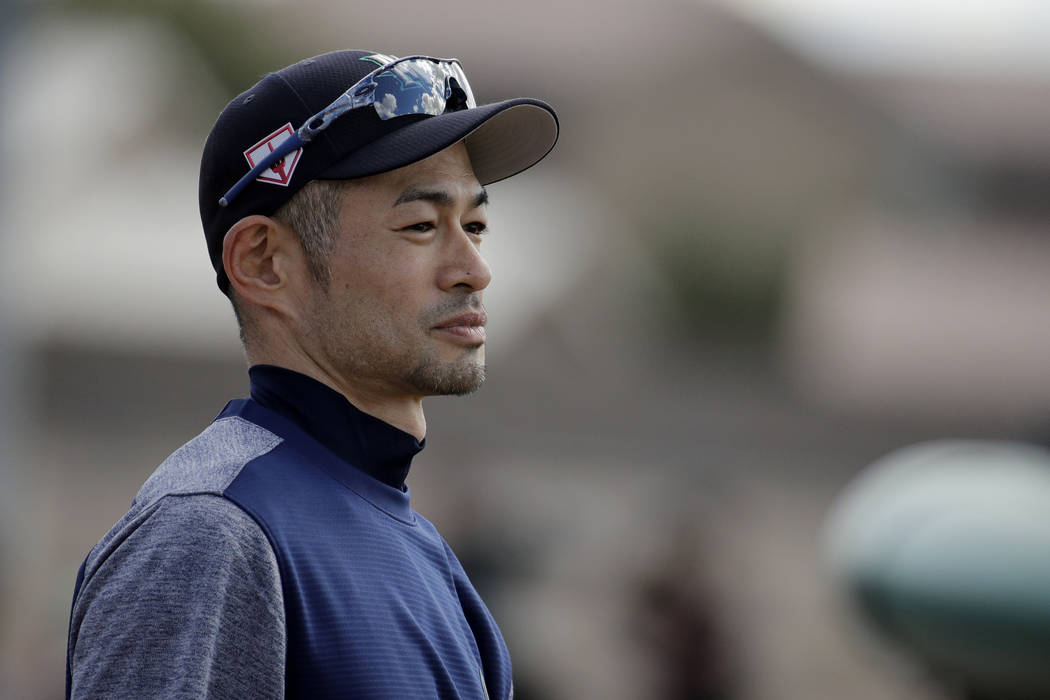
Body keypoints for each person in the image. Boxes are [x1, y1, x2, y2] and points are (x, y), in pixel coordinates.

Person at [65, 50, 559, 699]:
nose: (475, 268)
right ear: (265, 262)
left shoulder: (428, 557)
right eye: (420, 225)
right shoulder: (211, 536)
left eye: (475, 224)